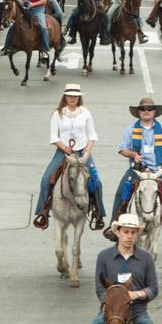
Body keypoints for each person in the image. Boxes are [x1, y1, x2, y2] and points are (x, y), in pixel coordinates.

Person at [105, 97, 162, 244]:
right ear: (139, 112)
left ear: (155, 112)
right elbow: (122, 149)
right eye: (143, 109)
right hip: (137, 170)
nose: (146, 111)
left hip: (158, 171)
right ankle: (113, 225)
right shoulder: (130, 129)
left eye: (150, 109)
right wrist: (133, 155)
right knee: (120, 192)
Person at [33, 84, 105, 230]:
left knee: (96, 182)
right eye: (70, 95)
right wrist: (65, 148)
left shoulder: (85, 112)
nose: (73, 98)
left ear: (79, 97)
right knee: (47, 179)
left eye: (75, 96)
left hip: (83, 152)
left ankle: (98, 213)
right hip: (63, 152)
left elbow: (92, 135)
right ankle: (43, 211)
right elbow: (54, 137)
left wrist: (87, 150)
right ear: (65, 96)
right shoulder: (57, 114)